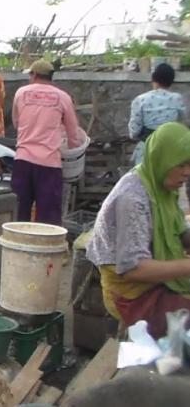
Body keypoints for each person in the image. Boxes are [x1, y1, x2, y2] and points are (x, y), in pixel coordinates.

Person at [86, 122, 190, 337]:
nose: (187, 172)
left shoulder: (164, 186)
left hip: (157, 281)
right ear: (163, 159)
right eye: (181, 165)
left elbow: (178, 231)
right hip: (131, 294)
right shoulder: (133, 198)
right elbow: (134, 268)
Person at [11, 59, 81, 225]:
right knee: (48, 219)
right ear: (51, 77)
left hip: (23, 160)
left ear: (34, 75)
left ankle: (18, 247)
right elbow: (73, 133)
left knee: (19, 216)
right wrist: (73, 152)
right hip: (50, 164)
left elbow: (16, 123)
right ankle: (45, 249)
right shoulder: (63, 97)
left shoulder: (21, 93)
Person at [128, 63, 186, 165]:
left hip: (148, 148)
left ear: (153, 79)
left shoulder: (140, 100)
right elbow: (182, 123)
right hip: (170, 149)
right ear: (171, 82)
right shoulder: (177, 99)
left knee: (145, 178)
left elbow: (134, 131)